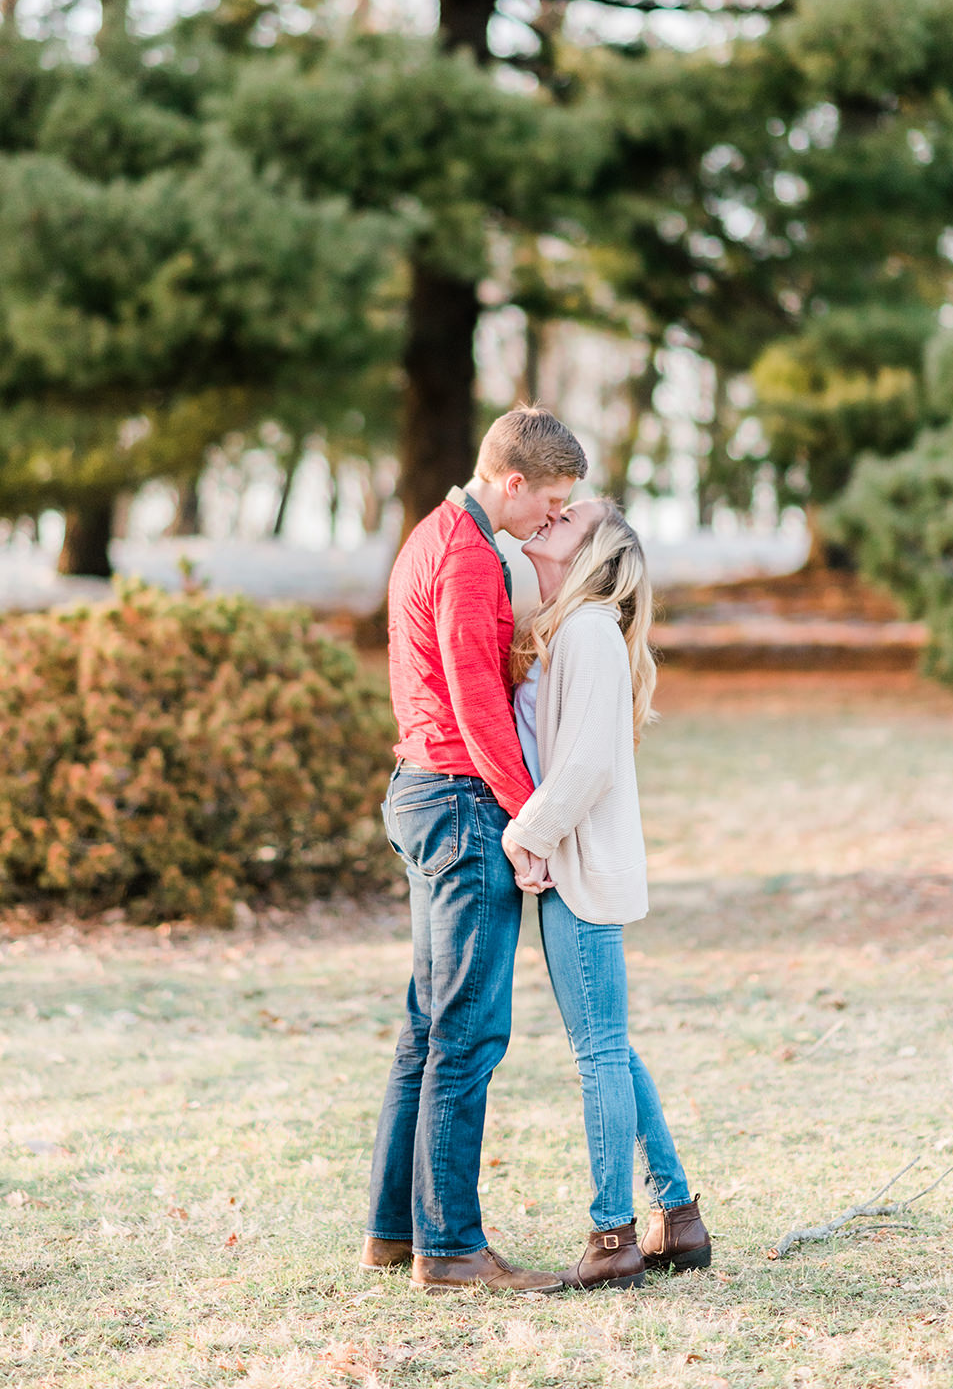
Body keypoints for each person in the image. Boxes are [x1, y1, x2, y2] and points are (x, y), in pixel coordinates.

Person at [363, 407, 587, 1294]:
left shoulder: (439, 533)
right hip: (458, 803)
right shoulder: (461, 553)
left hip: (430, 791)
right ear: (512, 481)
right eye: (551, 501)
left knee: (427, 1027)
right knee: (467, 1031)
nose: (552, 519)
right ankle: (450, 1250)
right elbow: (474, 703)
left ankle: (393, 1229)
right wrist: (525, 822)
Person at [502, 498, 711, 1291]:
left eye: (568, 516)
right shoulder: (573, 628)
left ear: (594, 549)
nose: (551, 514)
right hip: (575, 864)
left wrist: (531, 835)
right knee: (610, 1045)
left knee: (598, 1053)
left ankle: (611, 1234)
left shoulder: (587, 629)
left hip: (577, 867)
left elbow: (584, 765)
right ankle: (678, 1215)